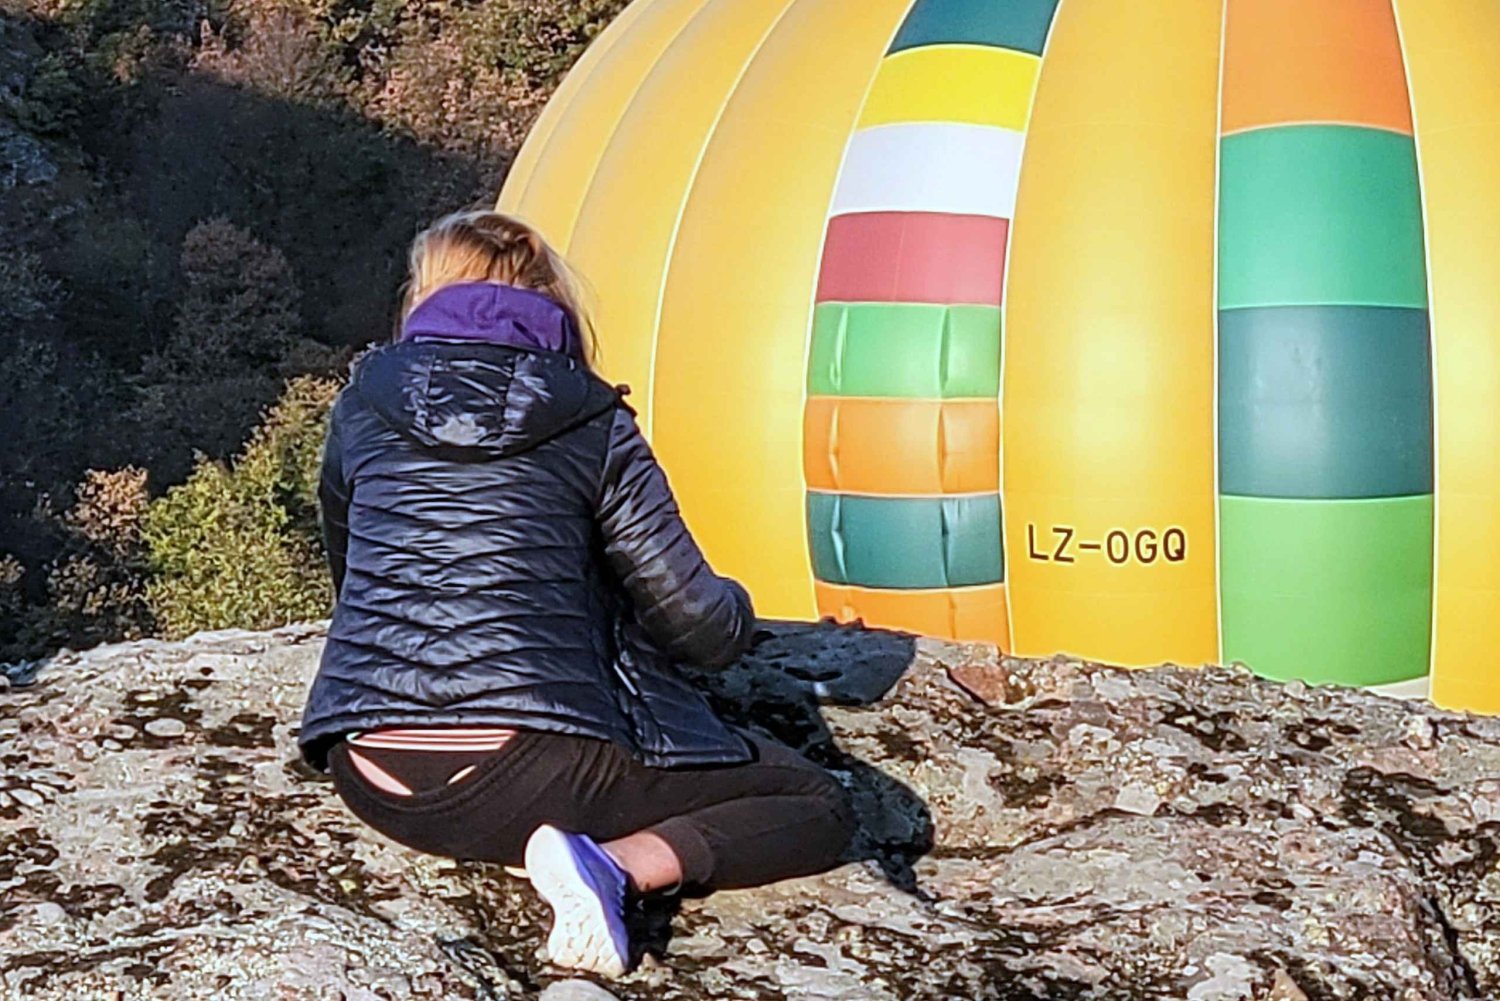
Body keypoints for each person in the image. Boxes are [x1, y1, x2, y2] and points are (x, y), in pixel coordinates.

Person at [298, 208, 856, 977]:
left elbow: (353, 573)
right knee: (816, 803)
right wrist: (747, 610)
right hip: (524, 772)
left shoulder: (360, 406)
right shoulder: (593, 419)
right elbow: (698, 626)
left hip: (371, 773)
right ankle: (613, 867)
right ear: (552, 301)